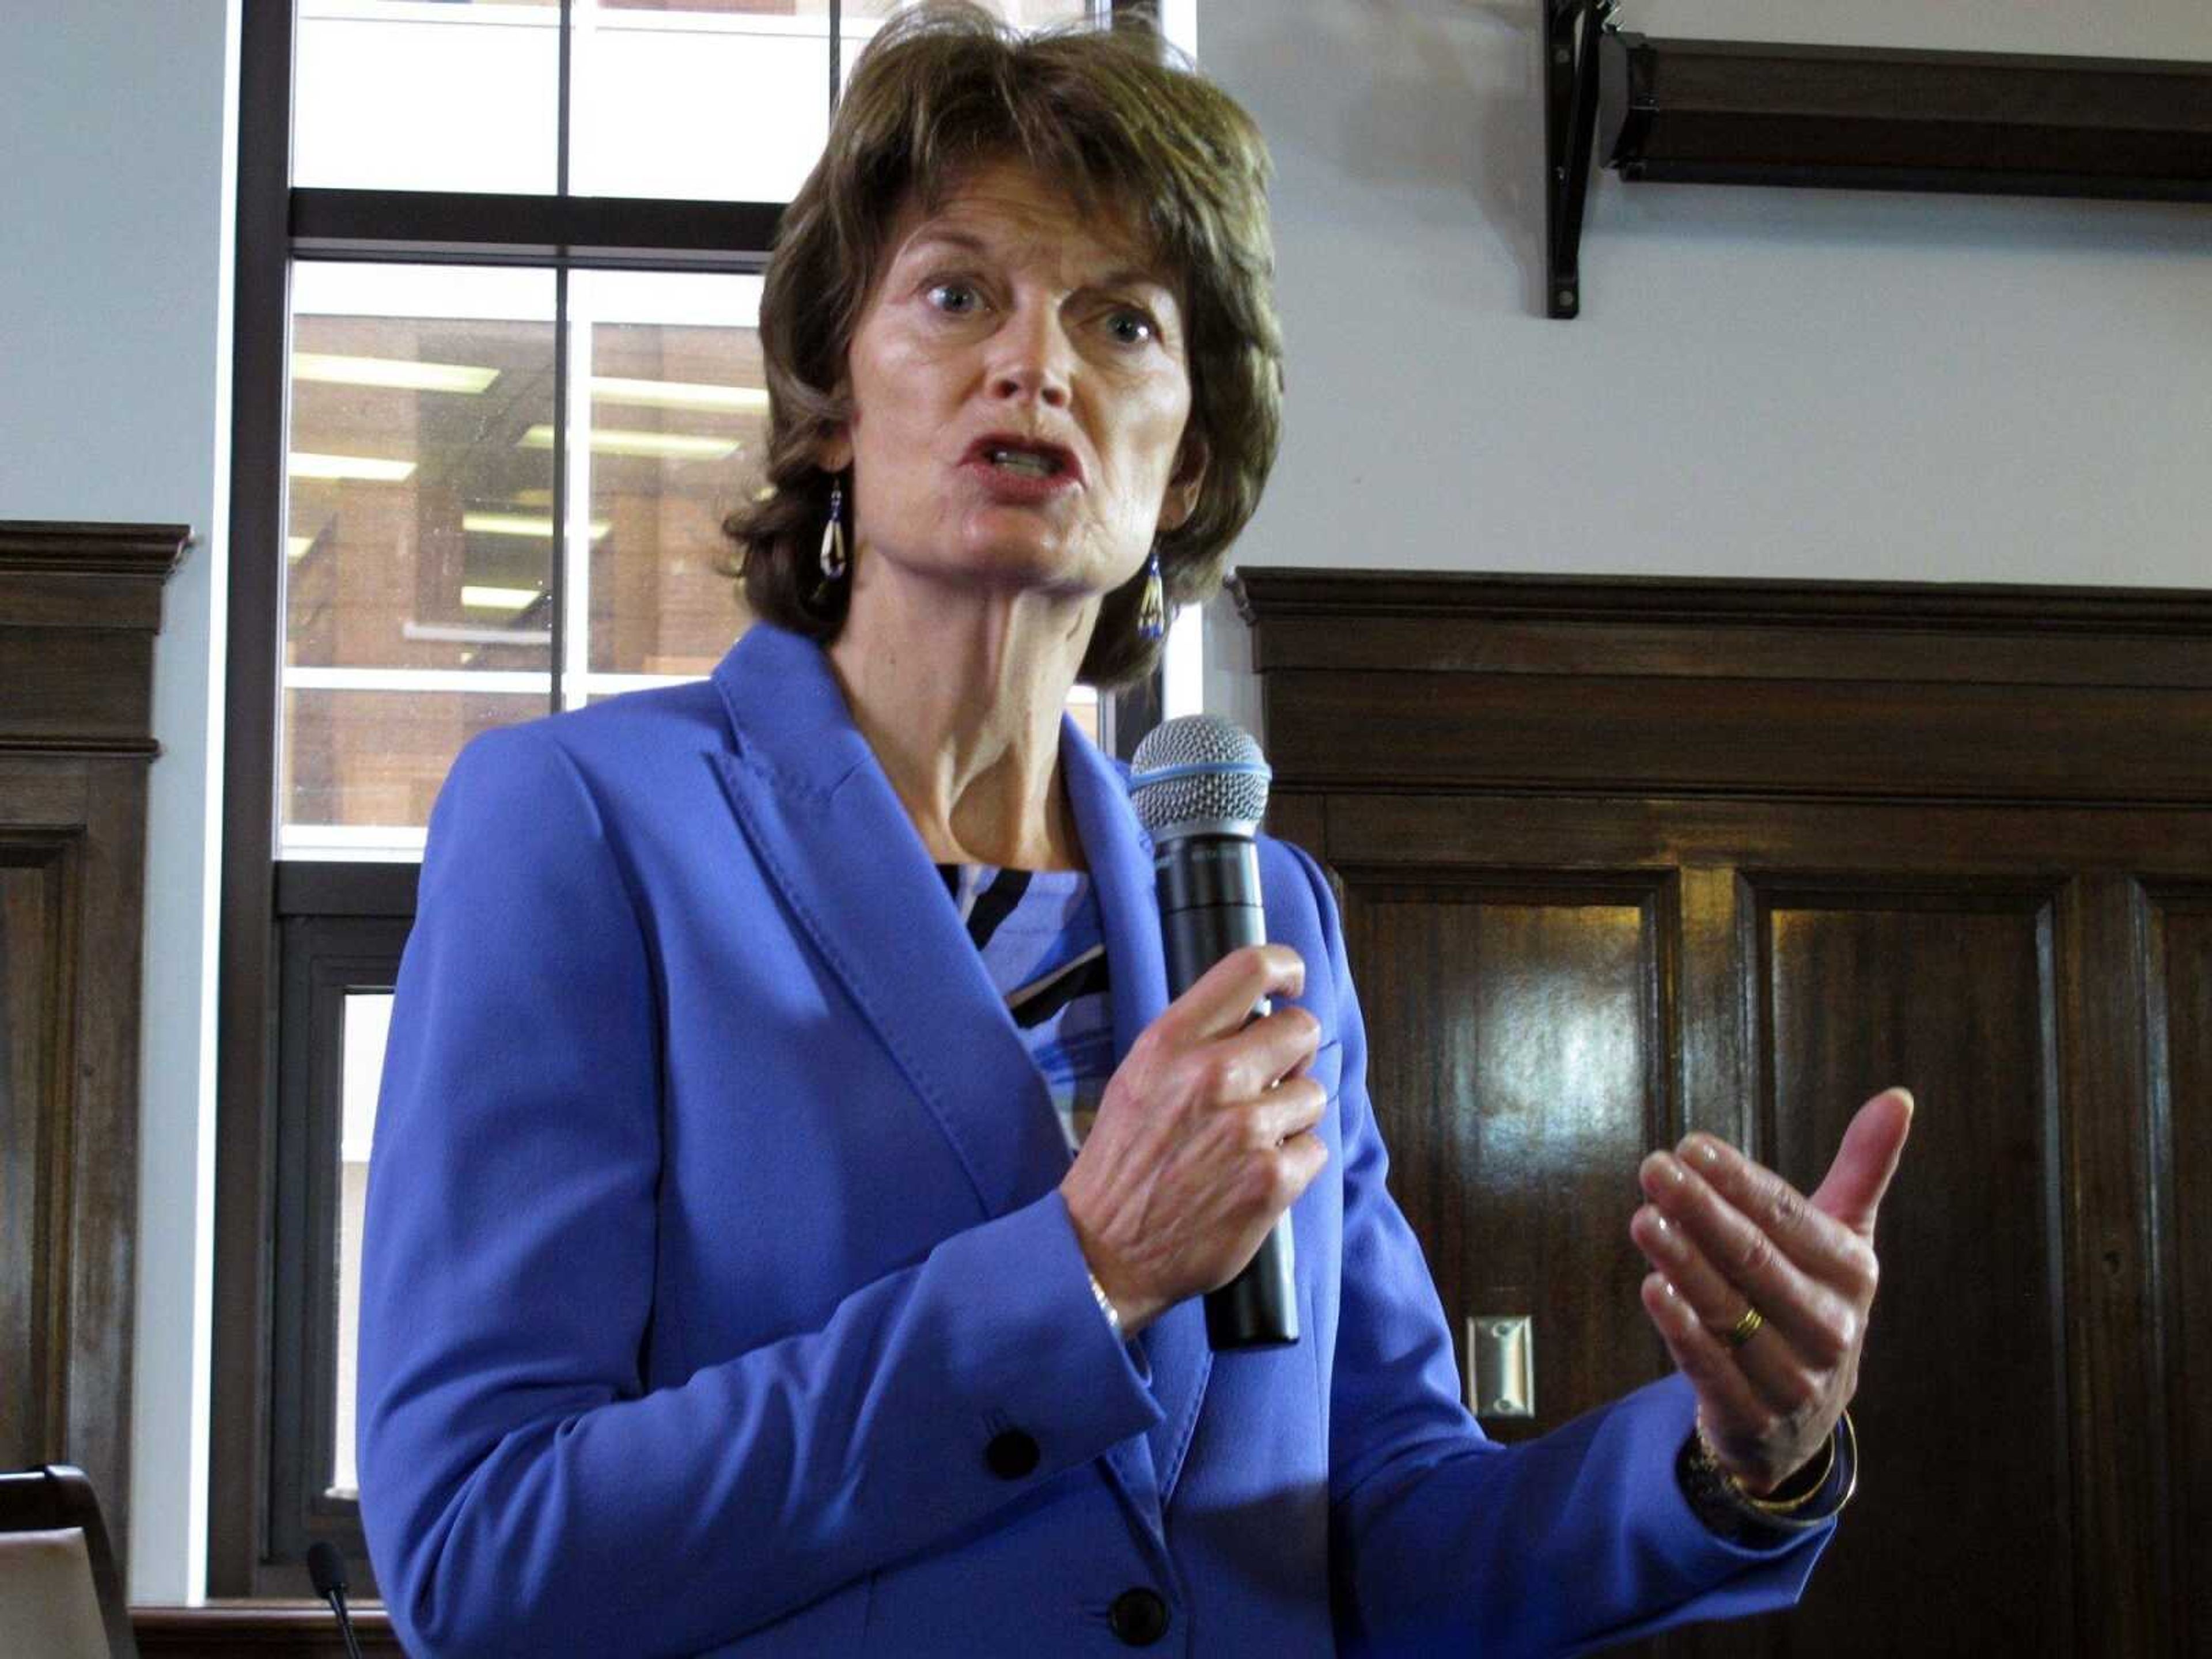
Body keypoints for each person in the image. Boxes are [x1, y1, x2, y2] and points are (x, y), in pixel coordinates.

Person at [355, 6, 1914, 1654]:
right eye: (958, 296)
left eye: (1123, 324)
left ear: (1185, 470)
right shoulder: (590, 829)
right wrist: (1082, 1273)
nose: (1037, 367)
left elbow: (1384, 1530)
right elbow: (485, 1549)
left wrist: (1733, 1464)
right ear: (830, 401)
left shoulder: (1270, 916)